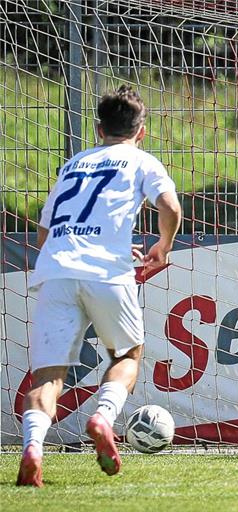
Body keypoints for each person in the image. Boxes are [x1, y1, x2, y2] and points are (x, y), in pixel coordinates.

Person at [16, 85, 182, 487]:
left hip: (55, 272)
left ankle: (34, 449)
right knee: (128, 355)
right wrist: (162, 246)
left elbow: (44, 233)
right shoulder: (142, 161)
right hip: (108, 273)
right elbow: (171, 207)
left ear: (97, 129)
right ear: (141, 132)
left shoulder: (73, 164)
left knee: (47, 378)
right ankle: (103, 417)